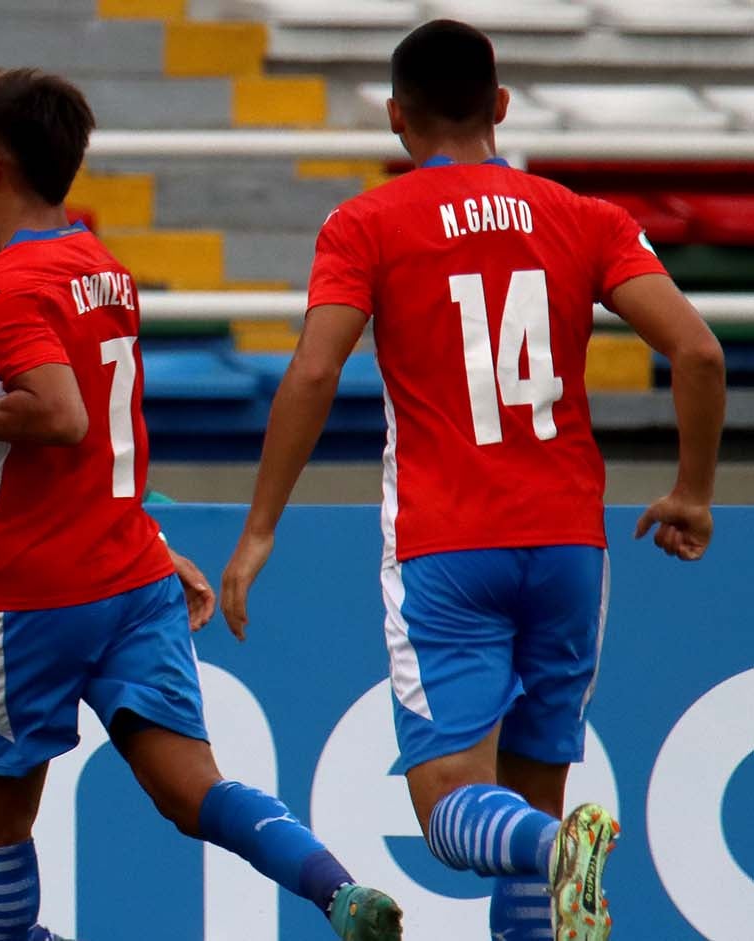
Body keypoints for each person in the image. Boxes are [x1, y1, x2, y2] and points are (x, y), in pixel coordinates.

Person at [219, 20, 725, 941]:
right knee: (536, 795)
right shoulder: (584, 217)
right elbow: (695, 349)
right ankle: (553, 849)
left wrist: (258, 529)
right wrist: (691, 490)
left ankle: (553, 848)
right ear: (499, 107)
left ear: (395, 117)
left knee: (454, 810)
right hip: (570, 544)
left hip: (447, 545)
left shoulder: (365, 223)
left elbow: (314, 371)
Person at [0, 68, 402, 941]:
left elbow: (60, 414)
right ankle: (335, 888)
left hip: (27, 590)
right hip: (127, 572)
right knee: (192, 788)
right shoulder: (102, 267)